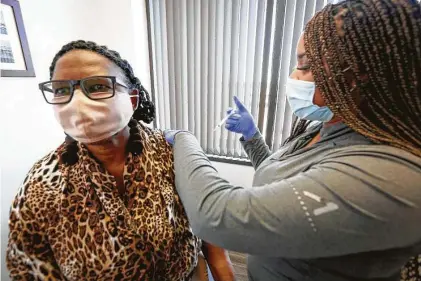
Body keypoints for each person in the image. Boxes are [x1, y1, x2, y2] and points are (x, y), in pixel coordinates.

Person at [164, 1, 421, 280]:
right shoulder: (326, 125)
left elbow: (216, 216)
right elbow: (286, 180)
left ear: (360, 74)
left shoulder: (392, 177)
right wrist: (252, 137)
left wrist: (183, 139)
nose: (292, 77)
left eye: (304, 65)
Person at [5, 40, 234, 281]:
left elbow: (213, 240)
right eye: (62, 90)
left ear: (132, 100)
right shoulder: (42, 182)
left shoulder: (173, 154)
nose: (78, 102)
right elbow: (28, 268)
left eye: (97, 86)